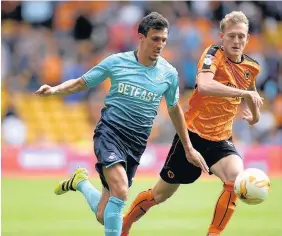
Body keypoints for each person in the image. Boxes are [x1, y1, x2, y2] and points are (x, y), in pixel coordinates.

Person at [35, 12, 209, 236]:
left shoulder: (169, 74)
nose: (160, 45)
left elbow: (175, 110)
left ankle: (80, 182)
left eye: (164, 40)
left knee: (104, 214)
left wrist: (188, 147)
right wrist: (55, 90)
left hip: (136, 144)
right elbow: (81, 83)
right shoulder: (117, 62)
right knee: (121, 191)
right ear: (141, 37)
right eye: (155, 39)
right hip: (110, 133)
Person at [122, 11, 264, 236]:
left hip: (221, 139)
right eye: (232, 36)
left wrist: (254, 116)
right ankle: (125, 224)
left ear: (247, 38)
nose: (237, 41)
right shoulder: (212, 54)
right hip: (192, 136)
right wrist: (242, 94)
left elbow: (251, 92)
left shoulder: (252, 66)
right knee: (159, 196)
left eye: (241, 36)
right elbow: (205, 85)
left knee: (235, 179)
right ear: (222, 37)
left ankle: (213, 234)